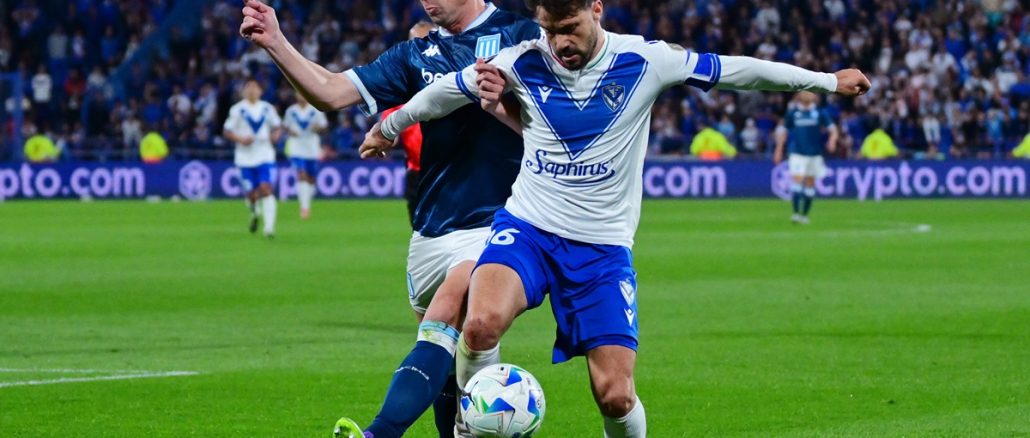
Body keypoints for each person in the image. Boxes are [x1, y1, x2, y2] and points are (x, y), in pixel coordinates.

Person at [360, 0, 870, 435]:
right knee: (479, 325)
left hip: (600, 250)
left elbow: (738, 70)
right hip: (527, 229)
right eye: (549, 30)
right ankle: (471, 428)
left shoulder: (646, 60)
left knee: (615, 397)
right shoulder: (521, 60)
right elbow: (446, 90)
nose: (559, 42)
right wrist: (392, 124)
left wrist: (826, 81)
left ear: (596, 8)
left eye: (570, 28)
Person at [238, 1, 541, 437]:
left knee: (450, 317)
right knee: (446, 368)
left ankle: (378, 433)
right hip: (431, 228)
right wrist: (276, 41)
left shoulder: (521, 34)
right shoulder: (415, 55)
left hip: (496, 224)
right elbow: (331, 92)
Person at [222, 78, 282, 238]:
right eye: (248, 87)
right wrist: (241, 139)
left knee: (266, 188)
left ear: (260, 91)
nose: (252, 90)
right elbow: (227, 131)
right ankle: (255, 213)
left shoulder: (267, 108)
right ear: (243, 91)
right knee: (252, 194)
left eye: (255, 87)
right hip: (244, 158)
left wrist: (275, 136)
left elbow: (277, 126)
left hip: (264, 154)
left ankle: (269, 229)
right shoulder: (237, 109)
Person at [773, 91, 838, 224]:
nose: (808, 94)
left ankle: (804, 215)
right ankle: (796, 213)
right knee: (797, 181)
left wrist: (832, 140)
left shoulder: (819, 113)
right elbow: (783, 131)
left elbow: (833, 129)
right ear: (799, 96)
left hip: (814, 153)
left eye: (811, 92)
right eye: (805, 92)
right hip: (797, 153)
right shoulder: (793, 113)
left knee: (809, 183)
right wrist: (779, 149)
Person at [283, 92, 328, 219]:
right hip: (296, 147)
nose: (301, 96)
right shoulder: (291, 111)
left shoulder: (316, 109)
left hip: (311, 147)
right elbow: (285, 126)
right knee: (301, 174)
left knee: (311, 178)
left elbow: (324, 127)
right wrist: (290, 131)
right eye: (299, 94)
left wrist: (317, 128)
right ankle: (304, 208)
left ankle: (307, 198)